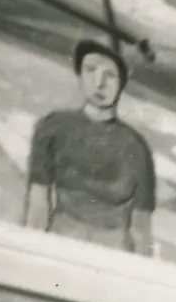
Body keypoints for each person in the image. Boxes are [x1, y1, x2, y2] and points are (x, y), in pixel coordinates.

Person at [22, 39, 155, 256]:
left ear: (122, 82)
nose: (99, 83)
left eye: (110, 75)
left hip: (112, 254)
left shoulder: (136, 148)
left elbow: (141, 231)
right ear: (80, 74)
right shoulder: (53, 128)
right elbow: (37, 208)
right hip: (59, 244)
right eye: (91, 69)